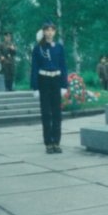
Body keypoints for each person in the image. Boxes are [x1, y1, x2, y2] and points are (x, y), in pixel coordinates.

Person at [31, 21, 68, 154]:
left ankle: (56, 142)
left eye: (52, 30)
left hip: (56, 80)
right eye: (47, 30)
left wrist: (64, 85)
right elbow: (34, 68)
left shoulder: (59, 47)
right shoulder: (38, 48)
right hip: (44, 81)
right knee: (46, 113)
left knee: (57, 113)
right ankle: (48, 143)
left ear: (55, 32)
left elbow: (63, 66)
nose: (49, 32)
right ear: (43, 32)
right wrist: (35, 87)